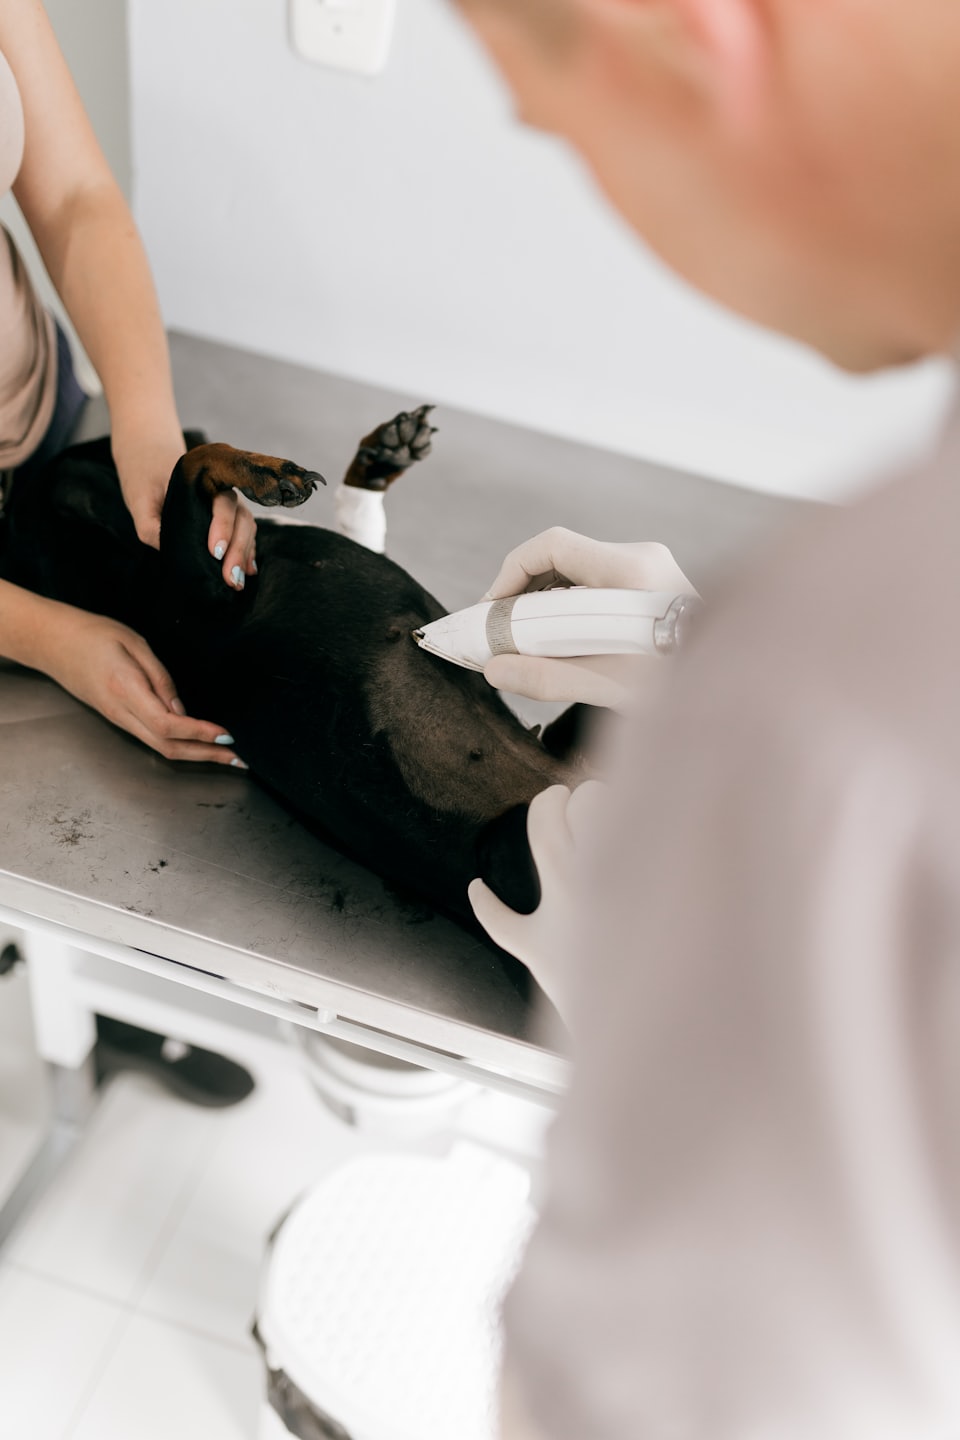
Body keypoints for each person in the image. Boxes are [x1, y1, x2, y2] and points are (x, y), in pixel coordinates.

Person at [452, 2, 960, 1437]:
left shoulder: (825, 702)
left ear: (676, 34)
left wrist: (665, 1030)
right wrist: (686, 643)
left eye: (556, 132)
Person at [0, 0, 256, 1106]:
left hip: (43, 417)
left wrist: (147, 424)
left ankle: (94, 1008)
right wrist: (44, 638)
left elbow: (73, 197)